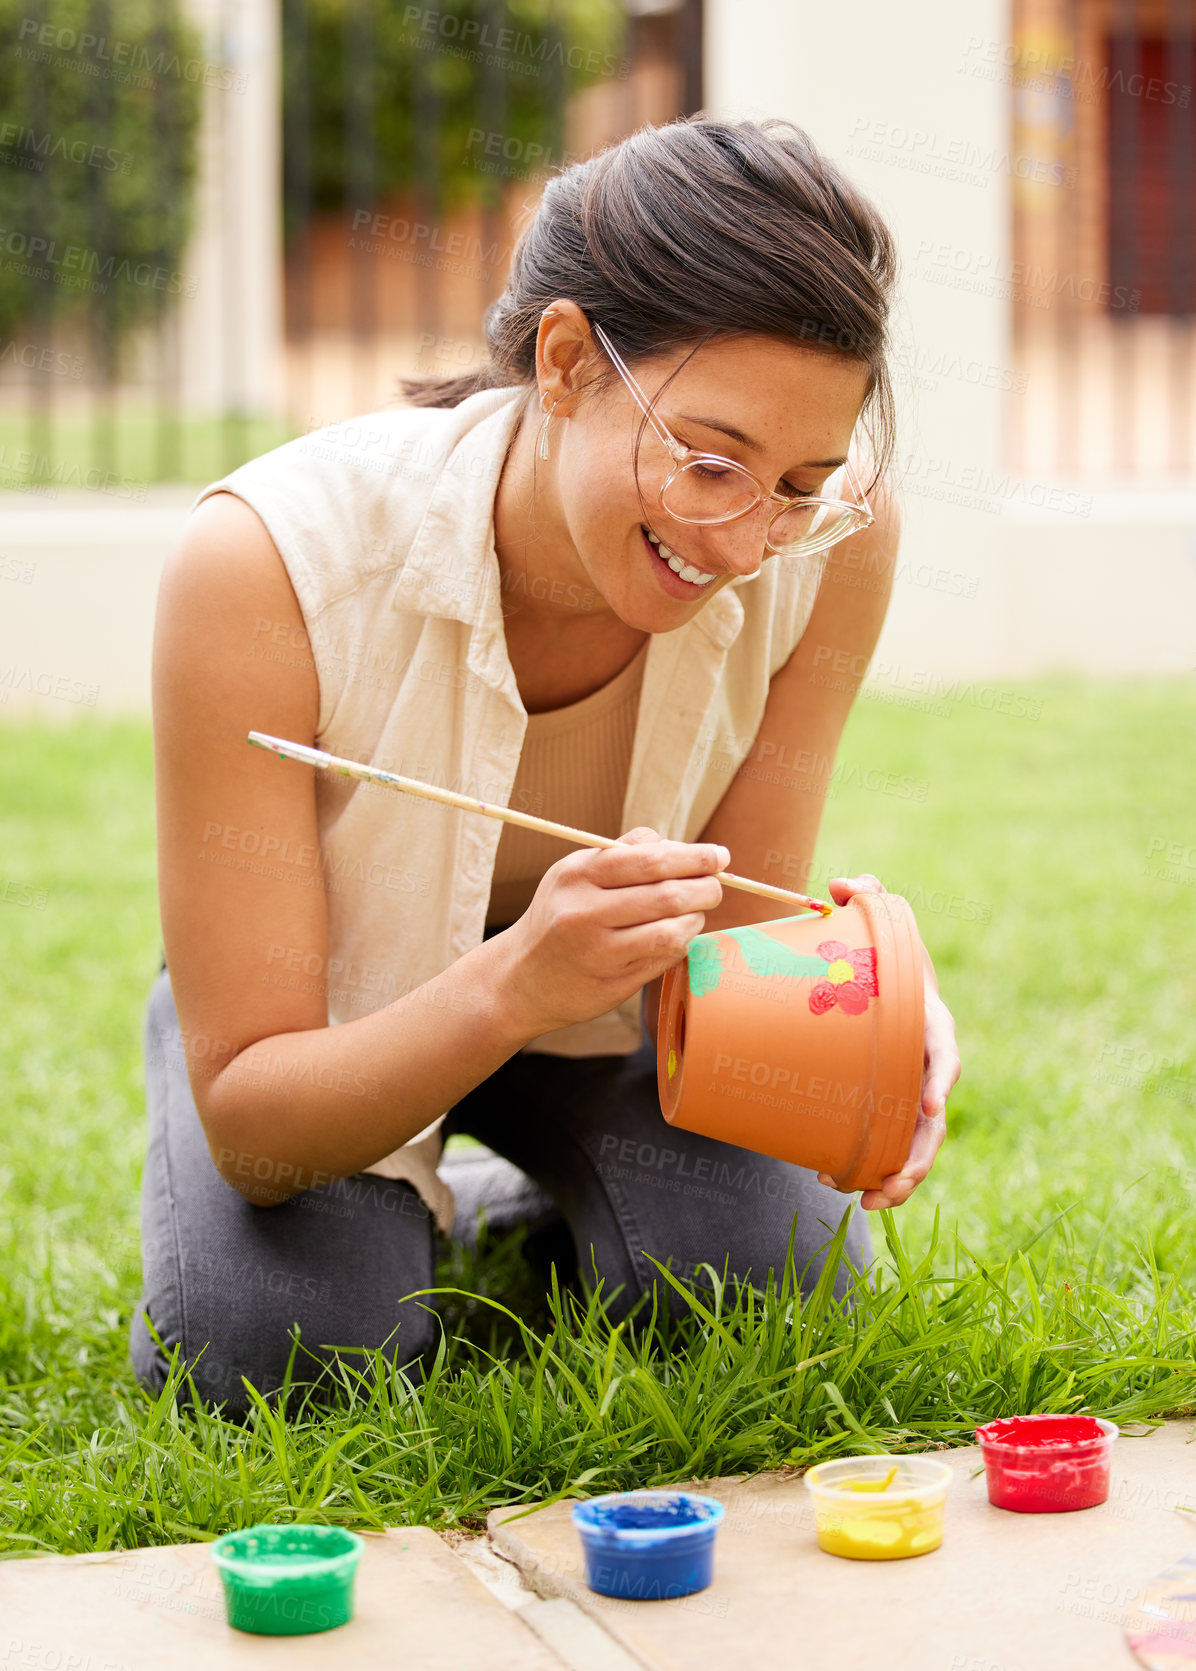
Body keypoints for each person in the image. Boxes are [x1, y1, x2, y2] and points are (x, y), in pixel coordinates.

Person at [131, 116, 960, 1414]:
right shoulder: (266, 564)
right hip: (330, 1016)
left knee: (777, 1292)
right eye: (708, 463)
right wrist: (517, 981)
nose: (748, 544)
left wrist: (868, 1012)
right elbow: (253, 1114)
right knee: (286, 1355)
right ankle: (403, 1217)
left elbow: (731, 939)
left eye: (797, 481)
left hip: (617, 1017)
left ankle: (489, 1208)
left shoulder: (834, 543)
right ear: (566, 361)